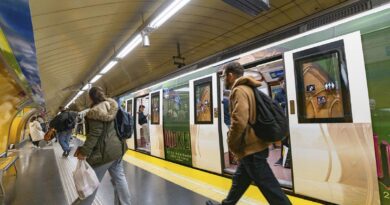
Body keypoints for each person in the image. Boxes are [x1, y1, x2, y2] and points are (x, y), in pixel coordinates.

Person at [206, 62, 291, 205]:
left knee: (271, 188)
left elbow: (239, 121)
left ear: (231, 75)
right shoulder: (249, 88)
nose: (224, 79)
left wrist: (231, 143)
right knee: (240, 180)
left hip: (252, 148)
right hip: (254, 146)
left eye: (224, 76)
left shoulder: (239, 90)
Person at [73, 86, 131, 205]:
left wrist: (84, 152)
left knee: (91, 183)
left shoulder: (94, 112)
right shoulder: (113, 106)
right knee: (120, 178)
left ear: (90, 97)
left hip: (104, 153)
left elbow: (94, 134)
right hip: (118, 149)